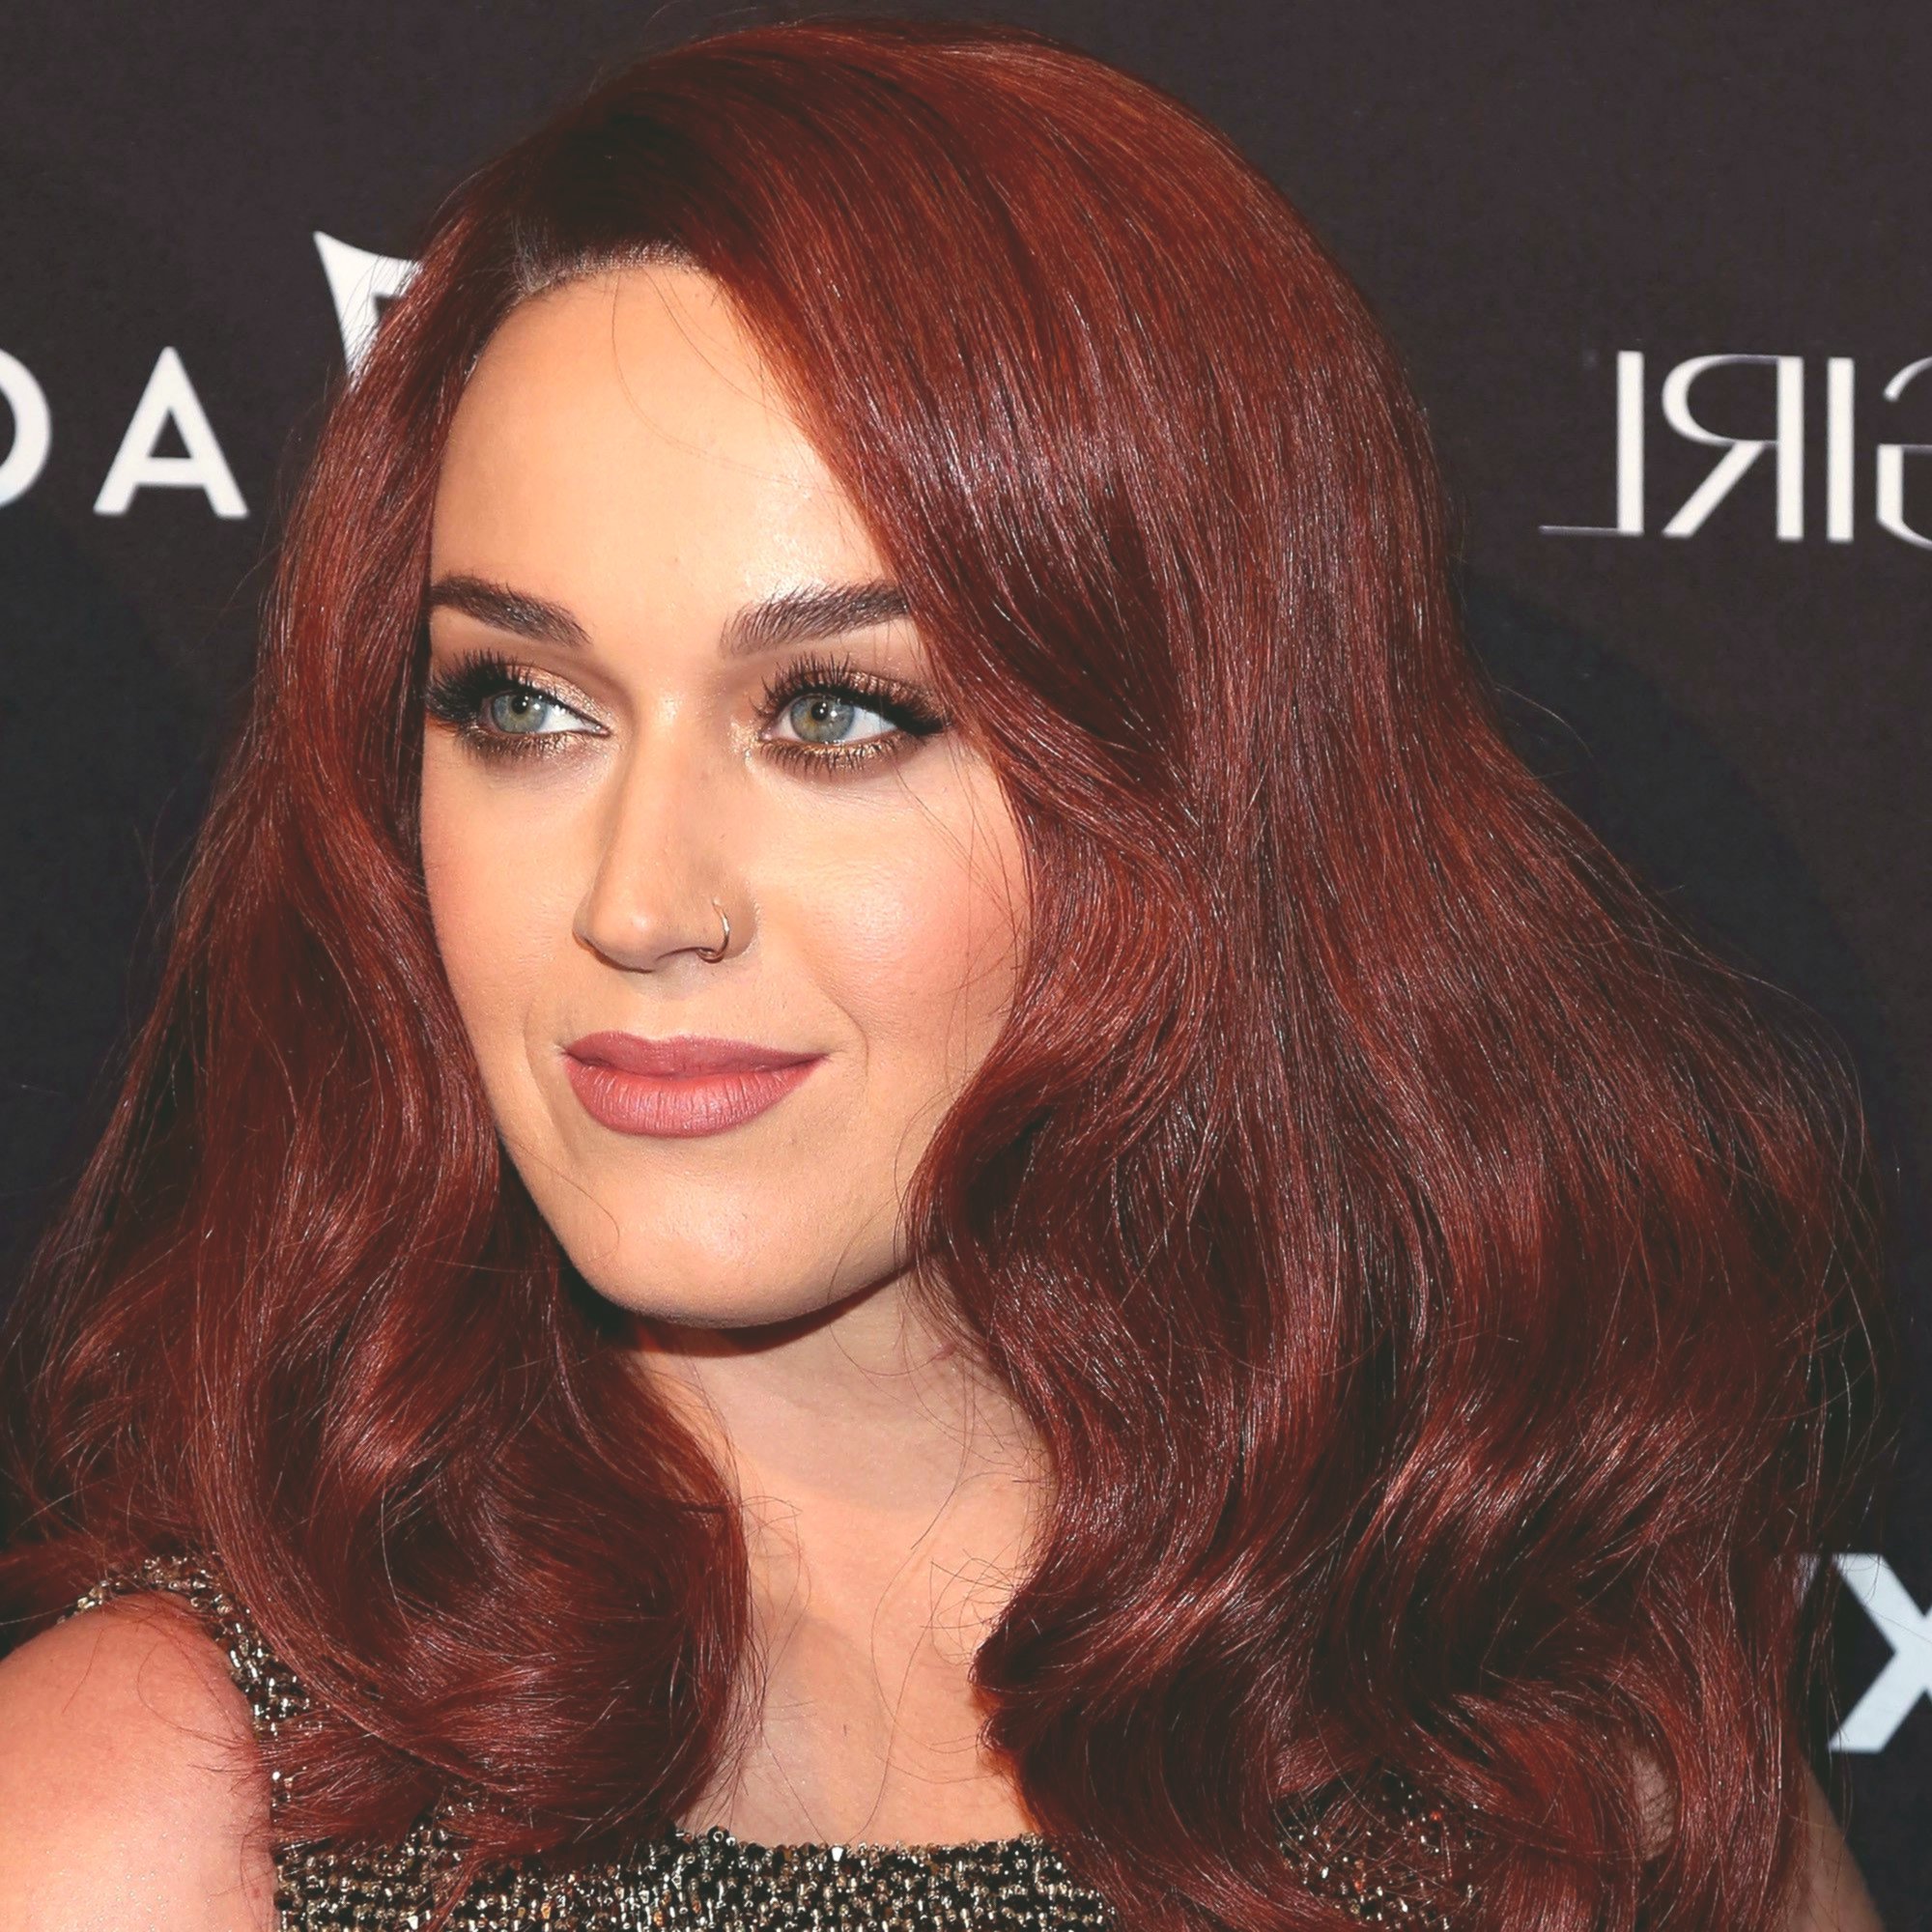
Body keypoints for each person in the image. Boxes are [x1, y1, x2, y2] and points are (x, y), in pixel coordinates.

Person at [0, 15, 1889, 1931]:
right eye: (524, 704)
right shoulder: (153, 1816)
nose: (642, 901)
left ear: (1198, 774)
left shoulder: (1565, 1775)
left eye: (834, 710)